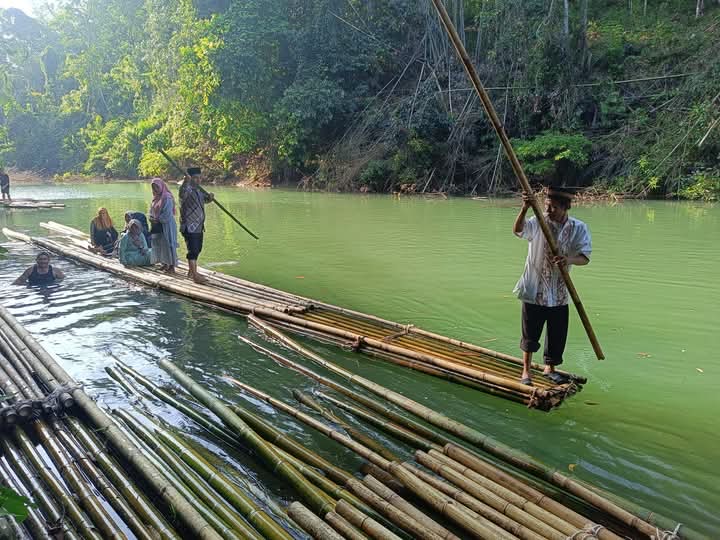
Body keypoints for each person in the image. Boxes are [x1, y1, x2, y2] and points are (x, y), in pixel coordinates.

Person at [512, 186, 592, 386]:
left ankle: (550, 368)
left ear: (565, 208)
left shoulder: (578, 228)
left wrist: (568, 259)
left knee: (557, 334)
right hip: (535, 289)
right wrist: (524, 209)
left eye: (554, 207)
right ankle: (526, 372)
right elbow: (518, 231)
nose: (548, 211)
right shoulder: (539, 222)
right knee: (530, 333)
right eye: (547, 206)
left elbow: (584, 257)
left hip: (559, 292)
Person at [179, 167, 214, 283]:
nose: (198, 180)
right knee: (193, 250)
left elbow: (203, 201)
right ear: (190, 178)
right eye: (195, 178)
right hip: (189, 225)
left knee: (198, 249)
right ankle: (194, 275)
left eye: (199, 178)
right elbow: (182, 194)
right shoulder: (187, 189)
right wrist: (185, 182)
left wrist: (210, 198)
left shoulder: (198, 190)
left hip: (199, 226)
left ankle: (191, 271)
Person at [149, 177, 179, 273]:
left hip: (167, 225)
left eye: (157, 187)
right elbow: (152, 210)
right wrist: (151, 217)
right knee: (160, 244)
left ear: (161, 186)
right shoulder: (155, 198)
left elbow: (167, 213)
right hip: (157, 225)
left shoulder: (167, 197)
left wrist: (157, 219)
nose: (155, 189)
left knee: (168, 244)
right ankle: (164, 263)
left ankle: (171, 266)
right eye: (153, 187)